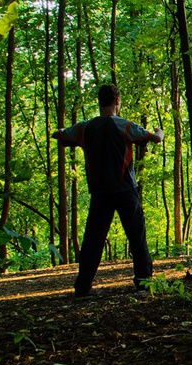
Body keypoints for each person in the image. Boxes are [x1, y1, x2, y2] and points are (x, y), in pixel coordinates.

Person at [52, 83, 164, 296]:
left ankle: (83, 286)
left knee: (93, 240)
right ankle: (143, 283)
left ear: (100, 101)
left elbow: (59, 136)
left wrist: (72, 138)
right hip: (126, 191)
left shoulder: (85, 127)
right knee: (136, 236)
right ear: (116, 101)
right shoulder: (125, 126)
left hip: (100, 193)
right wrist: (161, 131)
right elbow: (155, 138)